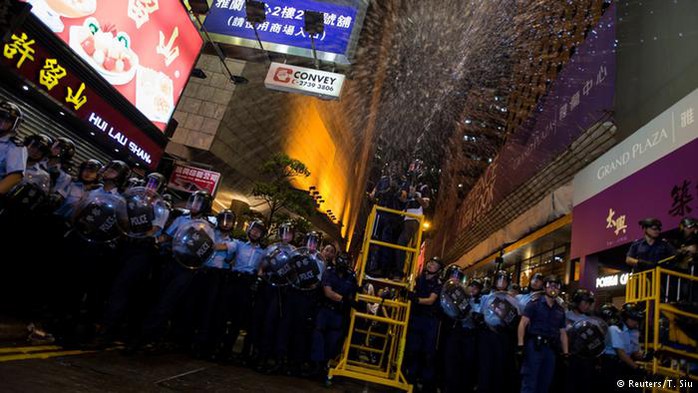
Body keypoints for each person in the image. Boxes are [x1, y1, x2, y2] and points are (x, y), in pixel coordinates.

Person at [214, 219, 266, 362]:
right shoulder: (239, 244)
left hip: (248, 283)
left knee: (238, 319)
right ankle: (216, 346)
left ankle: (227, 350)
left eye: (259, 231)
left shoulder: (263, 251)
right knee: (223, 314)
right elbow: (225, 246)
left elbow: (264, 267)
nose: (255, 233)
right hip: (234, 279)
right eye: (254, 230)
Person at [310, 252, 358, 383]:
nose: (344, 263)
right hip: (326, 310)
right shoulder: (329, 272)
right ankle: (316, 367)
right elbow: (328, 292)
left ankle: (325, 366)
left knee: (333, 341)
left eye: (346, 260)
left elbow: (354, 294)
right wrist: (343, 299)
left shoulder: (351, 277)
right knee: (318, 337)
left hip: (339, 314)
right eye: (341, 260)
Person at [517, 275, 569, 393]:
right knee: (530, 381)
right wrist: (520, 345)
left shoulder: (560, 310)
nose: (553, 288)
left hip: (551, 349)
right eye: (550, 285)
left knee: (545, 382)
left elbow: (563, 332)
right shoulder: (534, 303)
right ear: (544, 288)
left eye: (557, 286)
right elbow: (523, 324)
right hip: (534, 347)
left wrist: (566, 353)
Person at [404, 256, 443, 392]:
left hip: (428, 321)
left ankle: (426, 384)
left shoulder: (437, 283)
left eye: (435, 264)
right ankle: (411, 380)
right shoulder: (419, 278)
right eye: (431, 262)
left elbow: (431, 300)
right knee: (412, 350)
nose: (431, 265)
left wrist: (416, 299)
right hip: (416, 318)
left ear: (439, 269)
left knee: (427, 353)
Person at [478, 270, 520, 393]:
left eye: (505, 279)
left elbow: (515, 318)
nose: (501, 282)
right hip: (487, 335)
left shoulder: (512, 299)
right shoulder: (486, 297)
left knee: (499, 367)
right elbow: (480, 314)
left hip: (502, 337)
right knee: (485, 366)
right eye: (499, 279)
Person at [443, 278, 483, 393]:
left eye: (476, 288)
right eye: (472, 286)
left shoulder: (479, 301)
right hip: (457, 331)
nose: (473, 289)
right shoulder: (461, 297)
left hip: (470, 334)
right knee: (452, 361)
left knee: (467, 363)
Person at [600, 303, 645, 392]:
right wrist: (636, 368)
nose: (635, 322)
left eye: (637, 320)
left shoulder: (634, 331)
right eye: (633, 319)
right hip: (612, 365)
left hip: (625, 364)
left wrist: (645, 356)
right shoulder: (614, 329)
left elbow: (635, 352)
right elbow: (621, 353)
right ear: (625, 317)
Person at [392, 175, 430, 279]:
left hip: (414, 217)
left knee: (401, 242)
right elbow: (402, 199)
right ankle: (394, 270)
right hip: (403, 216)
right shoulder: (407, 183)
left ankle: (399, 272)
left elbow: (426, 204)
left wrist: (416, 196)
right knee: (395, 242)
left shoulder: (423, 187)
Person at [564, 289, 596, 393]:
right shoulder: (565, 316)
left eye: (589, 303)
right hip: (569, 356)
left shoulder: (591, 320)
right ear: (577, 302)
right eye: (585, 303)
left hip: (586, 357)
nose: (587, 306)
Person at [0, 100, 27, 199]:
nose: (2, 123)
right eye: (0, 117)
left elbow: (15, 176)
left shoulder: (16, 147)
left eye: (7, 121)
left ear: (14, 124)